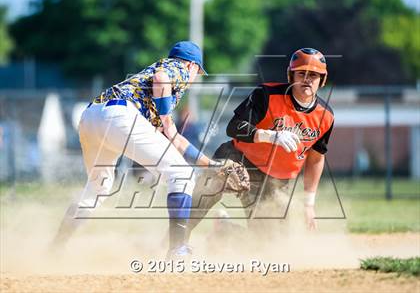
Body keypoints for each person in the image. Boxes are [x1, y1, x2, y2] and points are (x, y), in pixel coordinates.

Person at [52, 41, 216, 258]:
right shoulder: (178, 68)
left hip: (91, 117)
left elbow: (176, 141)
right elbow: (161, 79)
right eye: (198, 71)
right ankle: (178, 250)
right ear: (192, 65)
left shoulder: (149, 83)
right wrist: (166, 119)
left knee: (98, 189)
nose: (195, 77)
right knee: (182, 174)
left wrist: (212, 165)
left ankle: (55, 247)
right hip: (121, 117)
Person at [187, 48, 334, 238]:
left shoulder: (326, 116)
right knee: (204, 195)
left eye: (314, 75)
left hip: (276, 182)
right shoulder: (267, 94)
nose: (307, 79)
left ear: (322, 79)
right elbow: (234, 127)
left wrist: (309, 204)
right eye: (301, 73)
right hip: (240, 160)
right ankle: (173, 242)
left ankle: (224, 231)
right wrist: (270, 136)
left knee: (266, 244)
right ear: (291, 75)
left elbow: (315, 159)